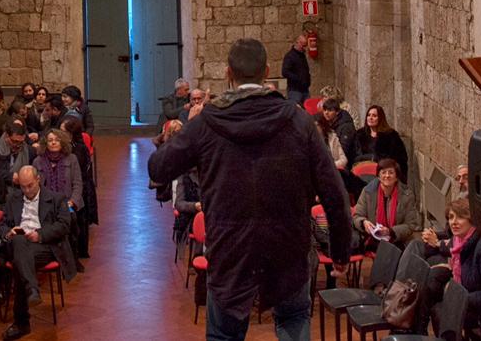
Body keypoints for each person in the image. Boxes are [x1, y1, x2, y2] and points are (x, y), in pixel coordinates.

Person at [150, 36, 351, 341]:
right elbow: (334, 193)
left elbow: (158, 168)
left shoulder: (206, 124)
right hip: (288, 246)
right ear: (267, 70)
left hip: (230, 248)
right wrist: (339, 251)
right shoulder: (299, 122)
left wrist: (181, 132)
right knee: (293, 321)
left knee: (224, 335)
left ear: (228, 73)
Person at [0, 165, 77, 340]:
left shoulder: (56, 198)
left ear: (38, 180)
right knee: (18, 242)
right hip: (19, 242)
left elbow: (64, 225)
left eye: (30, 186)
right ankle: (32, 289)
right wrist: (8, 233)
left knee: (19, 263)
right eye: (23, 187)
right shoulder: (13, 198)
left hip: (44, 245)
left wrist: (39, 235)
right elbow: (1, 224)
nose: (26, 190)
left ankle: (22, 323)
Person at [417, 197, 481, 340]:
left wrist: (457, 298)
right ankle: (417, 331)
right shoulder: (460, 241)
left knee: (440, 307)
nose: (454, 222)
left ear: (472, 219)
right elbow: (433, 249)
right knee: (431, 289)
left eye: (460, 217)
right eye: (451, 217)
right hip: (470, 305)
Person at [351, 159, 419, 250]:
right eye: (383, 173)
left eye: (391, 173)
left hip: (397, 239)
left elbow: (411, 225)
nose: (387, 176)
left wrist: (390, 231)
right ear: (378, 176)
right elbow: (357, 216)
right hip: (373, 238)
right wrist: (364, 222)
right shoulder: (368, 192)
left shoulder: (407, 195)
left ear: (396, 177)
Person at [61, 115, 97, 258]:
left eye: (63, 131)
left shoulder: (79, 149)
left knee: (80, 220)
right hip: (68, 188)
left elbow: (79, 176)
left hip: (80, 188)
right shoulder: (64, 147)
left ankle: (79, 252)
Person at [317, 98, 364, 199]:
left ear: (337, 112)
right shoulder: (328, 129)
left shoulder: (344, 128)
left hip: (348, 164)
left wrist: (329, 165)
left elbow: (344, 155)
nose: (326, 113)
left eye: (329, 110)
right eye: (325, 110)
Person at [350, 104, 409, 182]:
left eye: (374, 116)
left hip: (384, 173)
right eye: (368, 115)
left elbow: (400, 158)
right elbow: (353, 155)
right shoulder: (359, 134)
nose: (370, 118)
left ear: (380, 118)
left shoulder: (391, 136)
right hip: (362, 172)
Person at [281, 33, 311, 106]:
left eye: (305, 45)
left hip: (305, 89)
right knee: (295, 110)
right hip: (294, 90)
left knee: (307, 110)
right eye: (303, 45)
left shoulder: (302, 55)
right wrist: (298, 79)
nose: (304, 48)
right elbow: (285, 72)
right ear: (298, 43)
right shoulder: (290, 56)